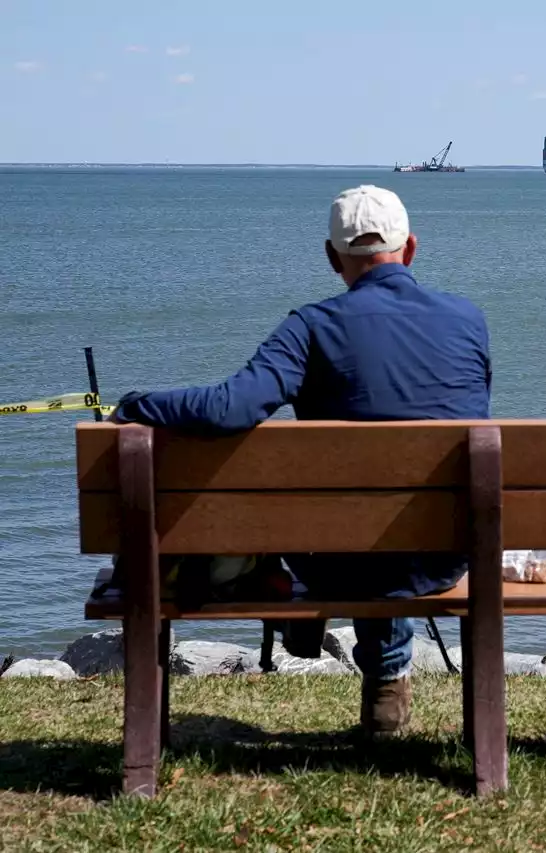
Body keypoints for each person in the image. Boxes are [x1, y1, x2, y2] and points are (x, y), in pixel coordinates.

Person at [109, 185, 492, 736]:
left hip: (332, 556)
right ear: (410, 249)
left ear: (332, 258)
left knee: (328, 515)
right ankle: (384, 682)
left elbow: (229, 408)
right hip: (446, 553)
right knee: (395, 514)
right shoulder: (468, 320)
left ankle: (313, 630)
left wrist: (135, 403)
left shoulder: (311, 327)